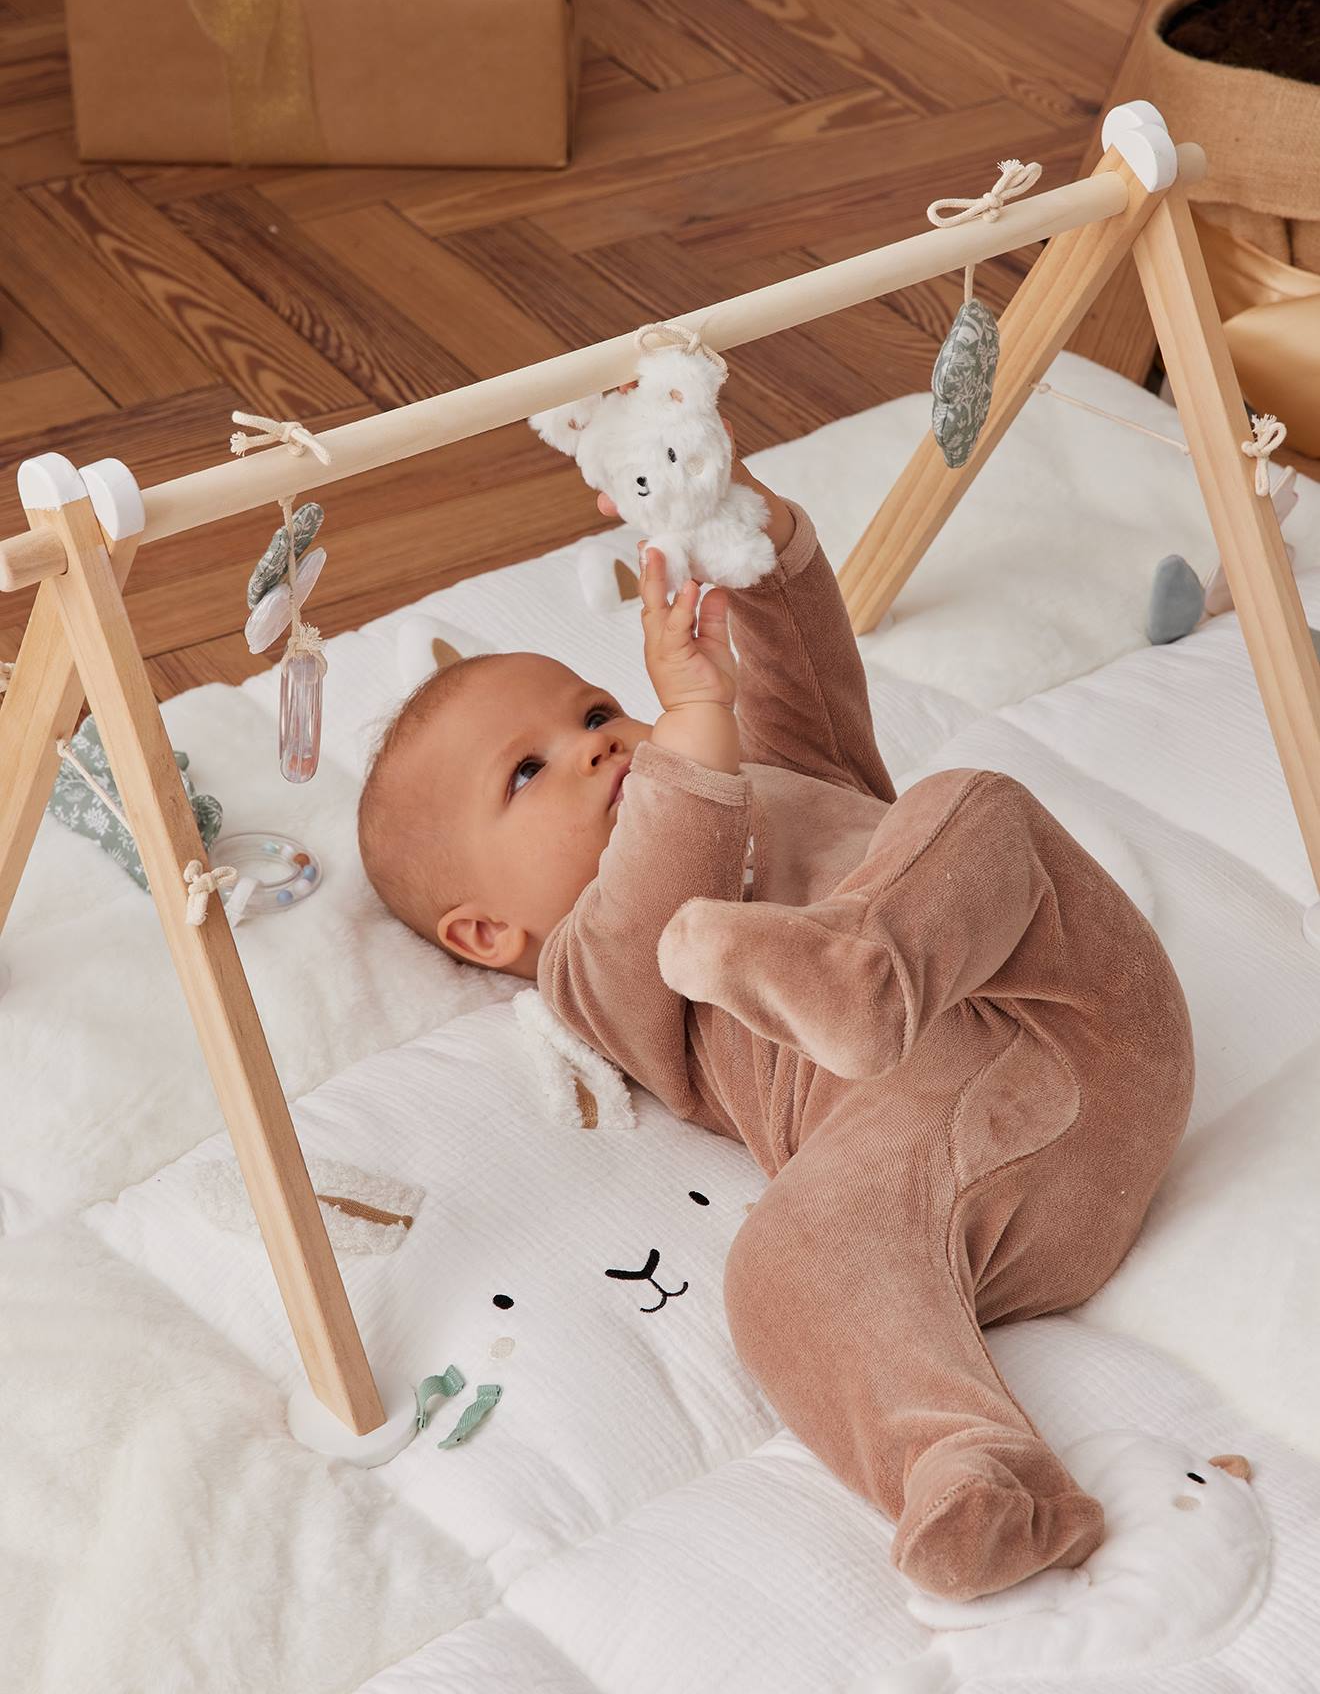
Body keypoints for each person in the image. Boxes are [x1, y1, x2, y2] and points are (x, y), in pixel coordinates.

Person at [357, 426, 1194, 1602]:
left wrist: (752, 538)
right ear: (488, 932)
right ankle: (969, 1467)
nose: (596, 740)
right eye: (529, 771)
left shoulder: (770, 776)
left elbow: (806, 681)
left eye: (595, 707)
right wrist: (689, 718)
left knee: (972, 807)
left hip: (1082, 1024)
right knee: (782, 1262)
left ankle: (870, 965)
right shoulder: (594, 971)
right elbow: (672, 859)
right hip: (952, 1177)